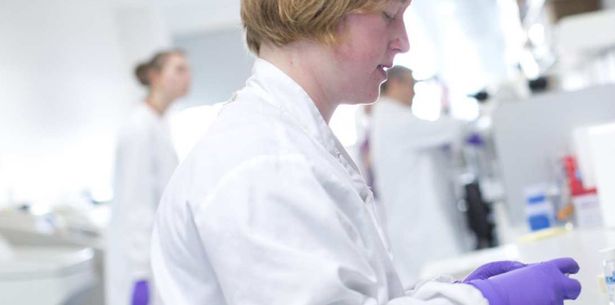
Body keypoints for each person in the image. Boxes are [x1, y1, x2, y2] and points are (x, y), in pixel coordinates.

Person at [149, 0, 581, 304]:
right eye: (390, 15)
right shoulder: (262, 163)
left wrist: (453, 290)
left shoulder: (292, 138)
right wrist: (479, 301)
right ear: (321, 11)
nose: (403, 42)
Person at [370, 66, 470, 286]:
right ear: (395, 83)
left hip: (414, 225)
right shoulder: (394, 119)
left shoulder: (389, 118)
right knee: (447, 287)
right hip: (422, 229)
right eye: (411, 85)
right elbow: (451, 129)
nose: (414, 92)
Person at [107, 49, 190, 305]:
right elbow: (136, 204)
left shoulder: (157, 124)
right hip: (139, 267)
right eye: (179, 69)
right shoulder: (140, 128)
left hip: (157, 258)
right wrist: (141, 274)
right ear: (155, 76)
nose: (187, 77)